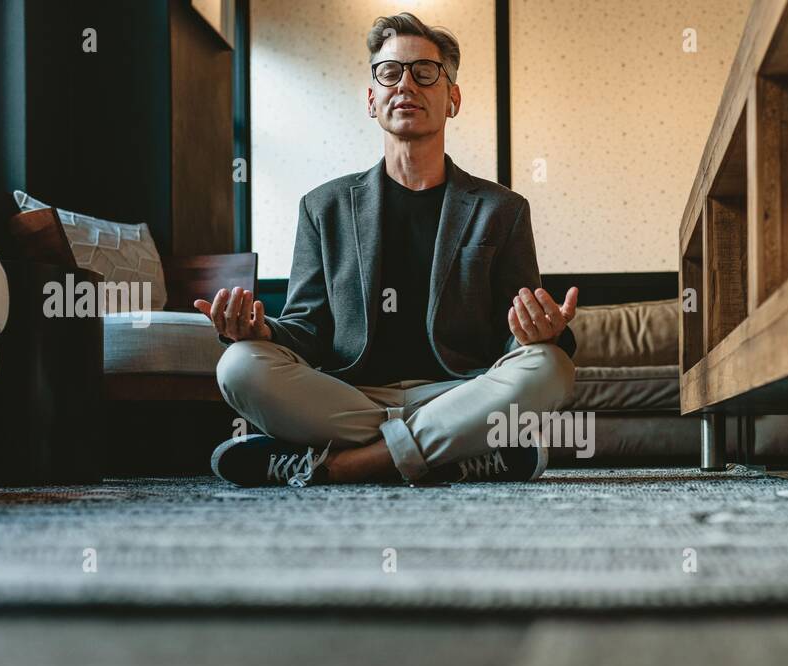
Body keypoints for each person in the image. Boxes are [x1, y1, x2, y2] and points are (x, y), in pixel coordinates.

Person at [201, 12, 578, 488]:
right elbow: (307, 329)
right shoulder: (324, 207)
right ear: (371, 98)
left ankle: (341, 465)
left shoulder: (502, 208)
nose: (406, 85)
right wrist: (260, 330)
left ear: (452, 99)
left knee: (550, 368)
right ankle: (458, 454)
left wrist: (536, 333)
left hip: (457, 392)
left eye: (425, 73)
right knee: (238, 365)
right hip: (348, 396)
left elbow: (512, 337)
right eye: (390, 73)